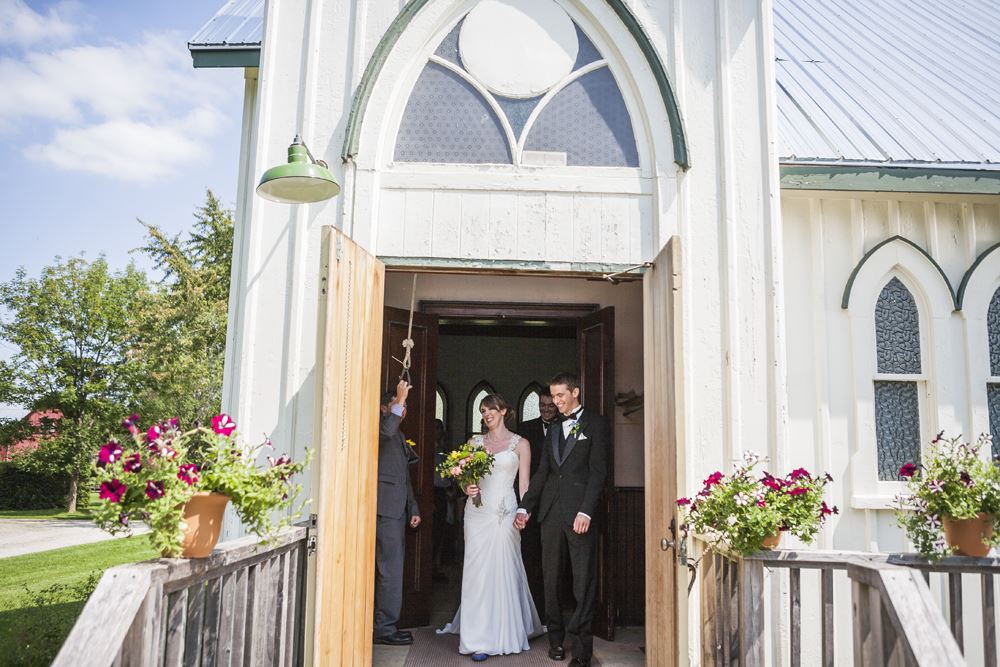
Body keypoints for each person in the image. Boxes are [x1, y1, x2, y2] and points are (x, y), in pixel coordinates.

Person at [438, 394, 543, 661]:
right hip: (476, 512)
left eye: (491, 409)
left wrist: (524, 511)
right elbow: (464, 479)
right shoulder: (474, 443)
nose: (487, 414)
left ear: (504, 411)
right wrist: (466, 487)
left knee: (503, 568)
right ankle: (477, 638)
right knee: (477, 571)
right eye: (483, 410)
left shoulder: (521, 444)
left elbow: (524, 485)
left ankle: (504, 631)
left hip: (504, 512)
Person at [515, 372, 608, 667]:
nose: (555, 402)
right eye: (553, 396)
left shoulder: (596, 424)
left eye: (560, 396)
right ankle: (555, 639)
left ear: (575, 392)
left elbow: (598, 472)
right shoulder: (554, 427)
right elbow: (543, 472)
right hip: (551, 513)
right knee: (551, 579)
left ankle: (581, 648)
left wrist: (587, 510)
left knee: (582, 582)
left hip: (581, 514)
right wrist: (525, 507)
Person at [374, 379, 422, 646]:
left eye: (404, 406)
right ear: (384, 409)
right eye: (397, 405)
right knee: (389, 571)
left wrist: (412, 507)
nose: (403, 409)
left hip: (396, 510)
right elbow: (386, 431)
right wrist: (400, 398)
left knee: (392, 571)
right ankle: (384, 628)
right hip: (383, 511)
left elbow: (402, 477)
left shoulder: (398, 434)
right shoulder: (380, 427)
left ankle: (384, 624)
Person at [516, 388, 560, 618]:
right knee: (530, 553)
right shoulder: (525, 430)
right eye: (542, 405)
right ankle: (531, 608)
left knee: (554, 558)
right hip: (531, 500)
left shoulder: (565, 426)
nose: (546, 409)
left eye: (550, 405)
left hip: (556, 501)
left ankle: (553, 610)